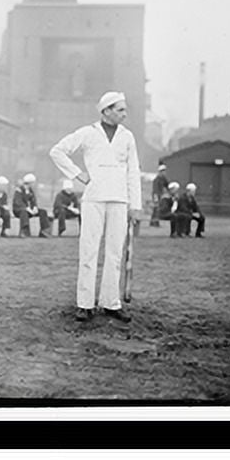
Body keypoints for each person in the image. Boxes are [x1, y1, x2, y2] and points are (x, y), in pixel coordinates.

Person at [50, 90, 142, 323]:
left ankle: (111, 303)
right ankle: (85, 304)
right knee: (88, 251)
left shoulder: (127, 136)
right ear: (106, 111)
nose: (125, 113)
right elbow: (57, 151)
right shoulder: (88, 133)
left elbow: (133, 171)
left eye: (125, 109)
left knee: (114, 253)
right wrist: (78, 175)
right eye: (120, 109)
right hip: (93, 199)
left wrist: (136, 205)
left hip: (120, 200)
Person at [12, 173, 52, 238]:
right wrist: (27, 208)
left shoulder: (30, 190)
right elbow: (18, 202)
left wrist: (34, 207)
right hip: (18, 210)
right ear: (29, 183)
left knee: (43, 212)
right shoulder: (19, 190)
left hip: (29, 210)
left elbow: (33, 200)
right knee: (23, 212)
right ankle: (24, 231)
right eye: (33, 182)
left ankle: (43, 231)